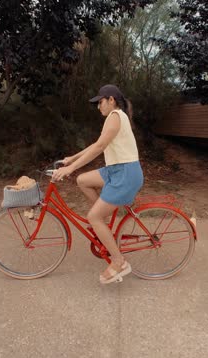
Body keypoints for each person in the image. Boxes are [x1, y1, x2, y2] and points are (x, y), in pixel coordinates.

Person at [52, 84, 144, 284]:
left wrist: (70, 168)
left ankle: (119, 261)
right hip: (115, 171)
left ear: (111, 100)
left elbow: (100, 147)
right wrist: (72, 159)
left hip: (125, 174)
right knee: (82, 180)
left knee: (93, 216)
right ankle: (102, 220)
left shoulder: (116, 116)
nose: (98, 106)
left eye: (100, 102)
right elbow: (97, 144)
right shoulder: (115, 117)